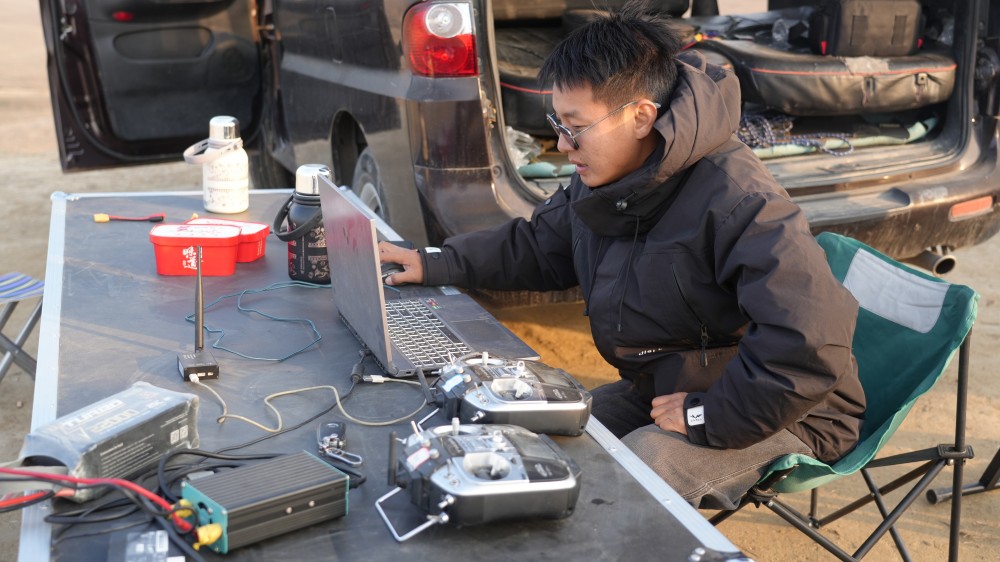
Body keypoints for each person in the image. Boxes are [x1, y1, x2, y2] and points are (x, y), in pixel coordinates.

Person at [377, 1, 866, 510]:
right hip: (670, 383)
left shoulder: (741, 203)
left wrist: (709, 415)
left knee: (635, 472)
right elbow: (540, 244)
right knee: (545, 434)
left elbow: (812, 340)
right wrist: (435, 261)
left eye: (575, 126)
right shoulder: (606, 180)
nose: (562, 145)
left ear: (639, 117)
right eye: (557, 124)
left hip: (790, 412)